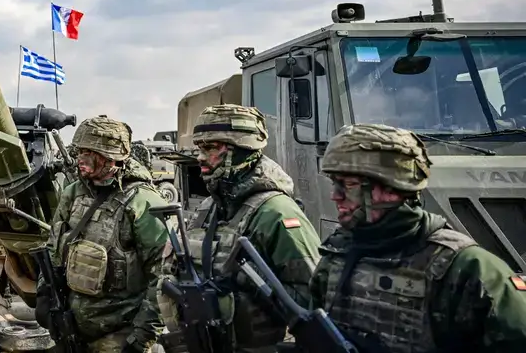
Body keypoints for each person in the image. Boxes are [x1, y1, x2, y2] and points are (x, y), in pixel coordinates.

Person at [312, 123, 526, 352]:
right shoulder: (337, 254)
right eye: (335, 183)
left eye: (349, 185)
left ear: (393, 188)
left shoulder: (469, 269)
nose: (336, 196)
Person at [158, 104, 321, 353]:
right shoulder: (208, 207)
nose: (200, 157)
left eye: (211, 148)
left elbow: (313, 307)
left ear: (242, 150)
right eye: (200, 148)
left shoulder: (276, 212)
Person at [38, 115, 168, 353]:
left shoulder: (143, 203)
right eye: (79, 151)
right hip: (71, 327)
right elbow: (53, 250)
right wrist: (44, 293)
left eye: (89, 152)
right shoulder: (73, 193)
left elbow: (164, 278)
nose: (80, 159)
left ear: (112, 157)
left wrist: (141, 338)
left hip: (120, 334)